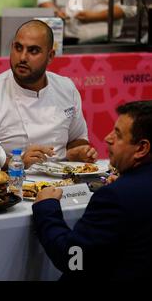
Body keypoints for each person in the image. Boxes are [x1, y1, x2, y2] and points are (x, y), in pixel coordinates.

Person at [33, 100, 152, 280]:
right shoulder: (123, 191)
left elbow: (73, 258)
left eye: (118, 135)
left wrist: (46, 207)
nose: (107, 138)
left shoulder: (115, 197)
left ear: (142, 148)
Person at [0, 20, 97, 169]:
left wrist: (79, 152)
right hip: (11, 186)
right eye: (18, 48)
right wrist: (18, 162)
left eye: (33, 51)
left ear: (50, 56)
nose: (22, 58)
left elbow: (77, 138)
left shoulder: (66, 88)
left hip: (64, 182)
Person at [37, 0, 136, 43]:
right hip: (66, 39)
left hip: (105, 41)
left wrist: (95, 16)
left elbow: (130, 7)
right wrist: (55, 12)